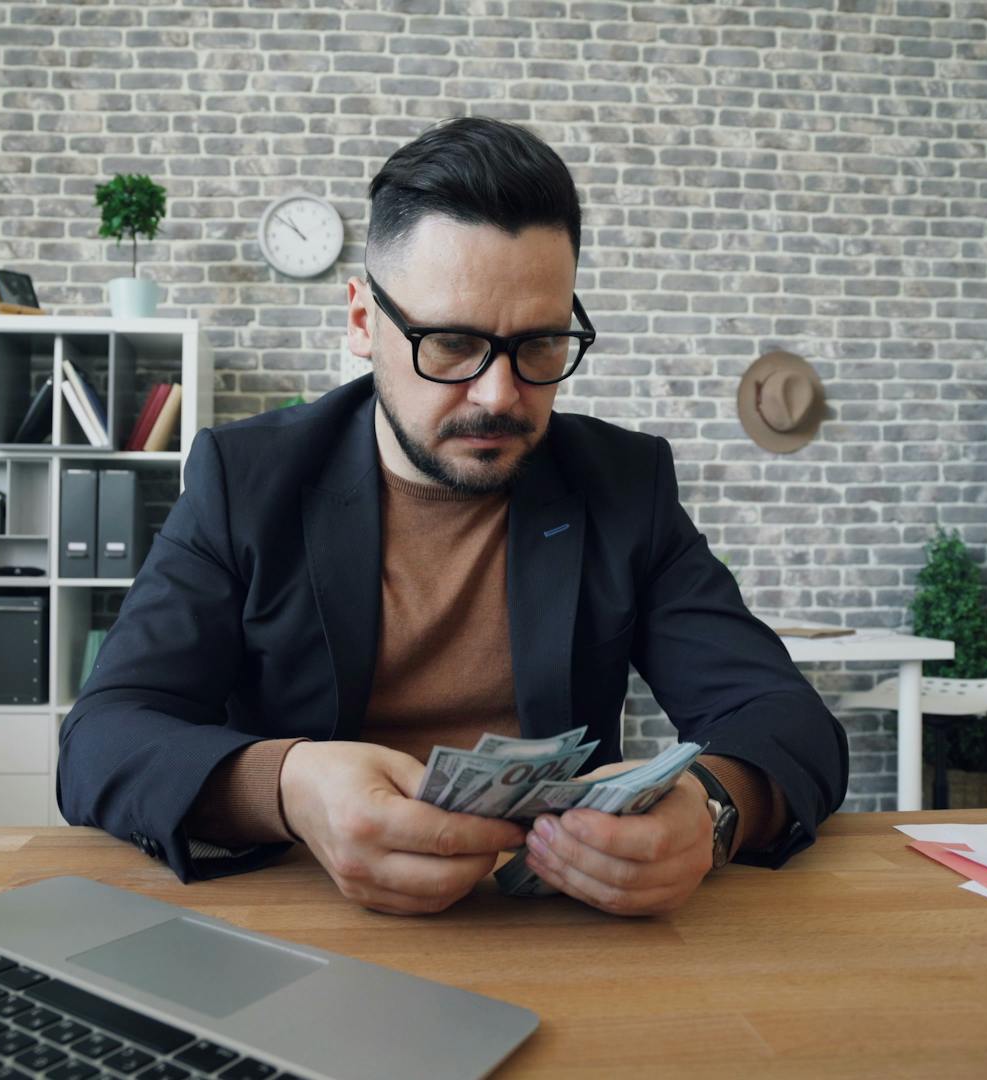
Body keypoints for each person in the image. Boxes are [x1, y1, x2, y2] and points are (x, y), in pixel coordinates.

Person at [59, 116, 847, 917]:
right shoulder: (246, 478)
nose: (500, 394)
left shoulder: (622, 485)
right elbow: (102, 739)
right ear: (364, 321)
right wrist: (290, 785)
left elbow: (784, 718)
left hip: (562, 930)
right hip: (301, 922)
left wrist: (714, 806)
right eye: (450, 344)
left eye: (540, 345)